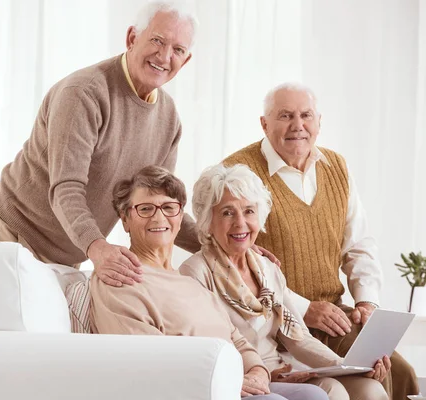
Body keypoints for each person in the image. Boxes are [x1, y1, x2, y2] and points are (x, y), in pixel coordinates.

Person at [0, 1, 200, 287]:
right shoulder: (84, 94)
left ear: (186, 60)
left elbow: (162, 205)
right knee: (12, 331)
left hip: (71, 246)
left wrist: (221, 246)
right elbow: (66, 188)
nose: (165, 56)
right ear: (132, 38)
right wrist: (98, 248)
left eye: (178, 49)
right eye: (157, 40)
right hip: (14, 230)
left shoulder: (168, 118)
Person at [222, 83, 418, 400]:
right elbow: (229, 262)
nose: (297, 126)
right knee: (368, 383)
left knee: (400, 371)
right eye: (285, 116)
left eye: (306, 115)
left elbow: (359, 245)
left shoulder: (336, 167)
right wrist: (305, 308)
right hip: (276, 324)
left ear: (319, 121)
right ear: (264, 123)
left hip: (335, 318)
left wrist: (367, 302)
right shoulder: (237, 171)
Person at [90, 165, 330, 400]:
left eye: (169, 207)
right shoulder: (118, 277)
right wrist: (224, 380)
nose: (159, 217)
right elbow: (150, 359)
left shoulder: (186, 282)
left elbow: (236, 339)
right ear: (125, 219)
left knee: (314, 395)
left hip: (229, 381)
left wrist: (258, 372)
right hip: (195, 387)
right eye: (145, 209)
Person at [180, 163, 391, 400]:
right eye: (227, 213)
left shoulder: (267, 269)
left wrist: (349, 366)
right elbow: (206, 347)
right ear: (207, 221)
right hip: (243, 378)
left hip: (283, 371)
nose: (240, 223)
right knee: (333, 392)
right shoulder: (195, 272)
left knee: (370, 389)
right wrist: (261, 374)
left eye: (249, 211)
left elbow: (298, 338)